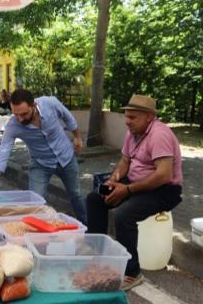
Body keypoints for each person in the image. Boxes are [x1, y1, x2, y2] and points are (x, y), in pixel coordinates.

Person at [86, 94, 182, 291]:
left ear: (149, 117)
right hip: (135, 182)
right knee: (95, 198)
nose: (127, 122)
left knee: (124, 216)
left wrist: (127, 190)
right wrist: (114, 179)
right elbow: (125, 162)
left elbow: (164, 175)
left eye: (132, 117)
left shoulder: (159, 135)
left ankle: (133, 272)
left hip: (164, 189)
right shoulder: (133, 132)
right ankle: (96, 253)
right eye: (126, 117)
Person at [0, 89, 87, 224]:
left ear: (33, 105)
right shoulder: (13, 125)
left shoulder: (50, 103)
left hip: (65, 157)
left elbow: (68, 118)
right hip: (40, 164)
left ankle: (86, 228)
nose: (20, 119)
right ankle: (40, 240)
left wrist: (77, 137)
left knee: (76, 196)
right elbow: (2, 154)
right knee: (35, 203)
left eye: (24, 114)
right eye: (16, 114)